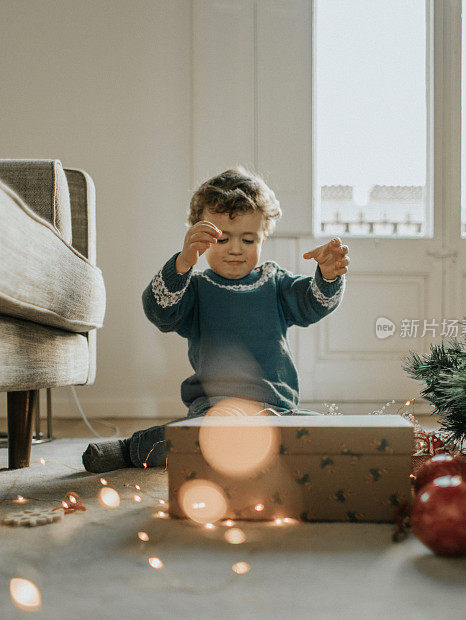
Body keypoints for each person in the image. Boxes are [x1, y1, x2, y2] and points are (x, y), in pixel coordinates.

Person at [82, 166, 350, 473]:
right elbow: (159, 312)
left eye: (248, 240)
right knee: (201, 436)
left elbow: (313, 303)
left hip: (275, 410)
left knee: (328, 431)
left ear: (264, 236)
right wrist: (182, 264)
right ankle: (132, 449)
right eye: (222, 240)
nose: (235, 249)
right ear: (201, 237)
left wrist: (328, 276)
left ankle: (253, 451)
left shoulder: (274, 283)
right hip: (214, 410)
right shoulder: (194, 287)